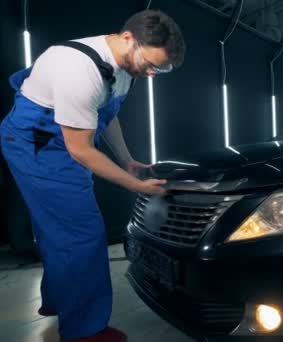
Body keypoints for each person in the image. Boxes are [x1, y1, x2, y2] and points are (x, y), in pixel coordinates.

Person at [0, 9, 186, 342]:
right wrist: (135, 185)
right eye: (151, 63)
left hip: (61, 140)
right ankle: (85, 331)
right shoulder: (79, 69)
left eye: (162, 68)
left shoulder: (126, 66)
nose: (153, 73)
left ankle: (60, 301)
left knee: (58, 226)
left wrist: (127, 161)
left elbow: (106, 112)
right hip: (37, 144)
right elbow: (81, 150)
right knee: (80, 233)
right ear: (128, 38)